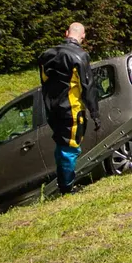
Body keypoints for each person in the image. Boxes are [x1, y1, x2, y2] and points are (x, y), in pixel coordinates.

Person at [37, 22, 101, 192]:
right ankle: (67, 188)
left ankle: (64, 182)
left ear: (66, 33)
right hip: (71, 109)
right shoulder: (80, 56)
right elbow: (88, 87)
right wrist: (95, 113)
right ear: (83, 36)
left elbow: (44, 83)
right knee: (70, 148)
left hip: (52, 109)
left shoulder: (46, 55)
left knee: (61, 146)